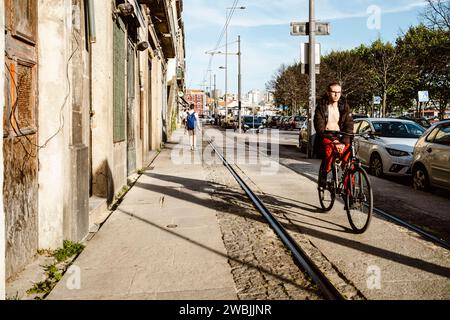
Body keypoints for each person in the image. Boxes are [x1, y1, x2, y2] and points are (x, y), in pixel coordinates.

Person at [314, 82, 354, 189]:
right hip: (327, 136)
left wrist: (345, 141)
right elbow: (319, 128)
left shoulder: (344, 107)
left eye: (338, 92)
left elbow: (349, 125)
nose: (336, 95)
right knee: (329, 153)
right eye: (333, 92)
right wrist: (334, 141)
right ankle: (324, 175)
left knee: (349, 163)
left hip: (342, 137)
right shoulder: (321, 107)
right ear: (328, 93)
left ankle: (349, 193)